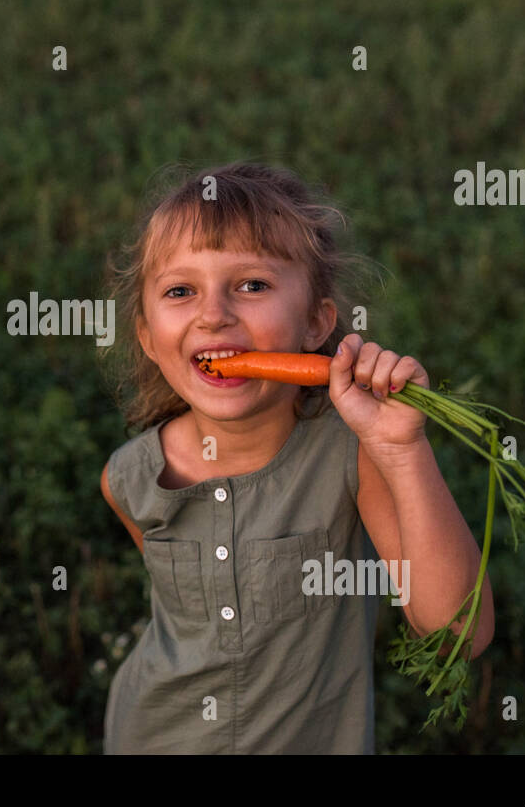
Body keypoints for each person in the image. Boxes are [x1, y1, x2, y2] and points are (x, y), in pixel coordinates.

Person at [99, 161, 494, 753]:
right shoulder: (129, 477)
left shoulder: (353, 456)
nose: (214, 314)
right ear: (150, 338)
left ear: (315, 323)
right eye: (181, 291)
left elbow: (458, 632)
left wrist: (401, 449)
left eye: (252, 285)